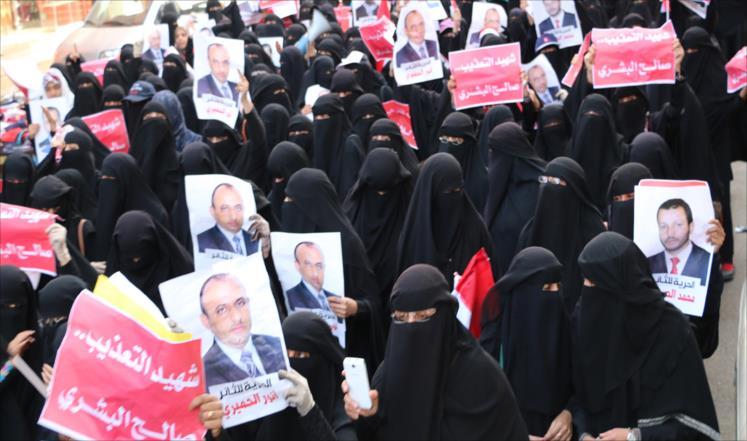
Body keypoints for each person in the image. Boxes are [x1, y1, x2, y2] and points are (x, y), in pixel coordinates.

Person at [342, 264, 529, 440]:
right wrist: (368, 414)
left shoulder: (481, 376)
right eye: (401, 318)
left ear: (446, 316)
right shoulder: (388, 375)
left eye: (423, 316)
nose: (412, 327)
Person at [574, 232, 720, 440]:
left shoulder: (672, 331)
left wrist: (634, 436)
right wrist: (583, 433)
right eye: (584, 280)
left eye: (594, 283)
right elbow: (575, 396)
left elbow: (696, 427)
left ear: (619, 285)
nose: (586, 291)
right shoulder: (584, 319)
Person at [200, 272, 286, 387]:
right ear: (206, 321)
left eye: (240, 303)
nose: (237, 317)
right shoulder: (203, 376)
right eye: (221, 310)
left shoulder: (279, 345)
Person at [647, 198, 710, 284]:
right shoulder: (647, 264)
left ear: (691, 227)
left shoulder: (707, 260)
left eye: (678, 225)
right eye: (663, 226)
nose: (670, 233)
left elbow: (715, 291)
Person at [197, 183, 259, 256]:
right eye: (225, 208)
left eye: (238, 208)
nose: (233, 217)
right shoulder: (201, 243)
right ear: (212, 211)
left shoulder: (256, 240)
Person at [285, 242, 339, 312]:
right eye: (308, 265)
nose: (315, 273)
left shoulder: (337, 300)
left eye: (319, 265)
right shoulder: (289, 298)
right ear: (297, 266)